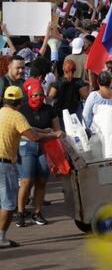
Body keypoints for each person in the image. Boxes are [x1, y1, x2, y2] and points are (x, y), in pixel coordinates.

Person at [0, 86, 62, 249]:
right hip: (5, 164)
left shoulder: (2, 113)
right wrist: (52, 135)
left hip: (4, 162)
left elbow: (28, 129)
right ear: (21, 101)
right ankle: (1, 238)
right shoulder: (16, 116)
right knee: (8, 204)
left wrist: (44, 130)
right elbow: (33, 137)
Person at [15, 79, 59, 228]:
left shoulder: (49, 109)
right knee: (26, 181)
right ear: (29, 95)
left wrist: (50, 133)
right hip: (26, 146)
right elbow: (23, 130)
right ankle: (20, 213)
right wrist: (43, 131)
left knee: (42, 181)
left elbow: (56, 130)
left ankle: (37, 212)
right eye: (34, 95)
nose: (38, 97)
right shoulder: (22, 110)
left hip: (45, 147)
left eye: (41, 94)